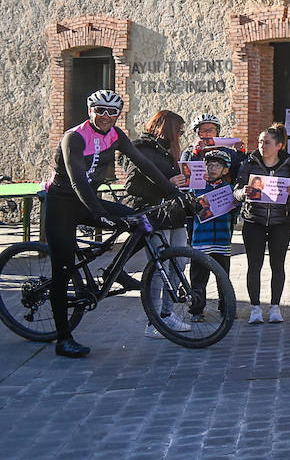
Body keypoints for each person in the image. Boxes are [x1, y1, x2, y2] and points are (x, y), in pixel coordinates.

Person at [44, 90, 182, 356]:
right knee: (62, 269)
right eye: (100, 110)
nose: (105, 116)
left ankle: (114, 271)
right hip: (62, 204)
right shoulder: (74, 137)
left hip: (88, 200)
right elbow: (77, 181)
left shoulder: (116, 135)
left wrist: (172, 191)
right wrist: (99, 214)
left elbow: (143, 164)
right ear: (90, 110)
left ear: (118, 114)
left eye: (112, 112)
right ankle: (63, 338)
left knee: (141, 221)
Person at [120, 109, 193, 338]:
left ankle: (167, 314)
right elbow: (132, 185)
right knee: (159, 268)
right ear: (168, 128)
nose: (180, 136)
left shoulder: (167, 151)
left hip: (174, 214)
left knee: (178, 263)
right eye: (179, 131)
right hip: (154, 213)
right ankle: (155, 321)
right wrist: (167, 183)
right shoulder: (142, 149)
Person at [235, 123, 290, 324]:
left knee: (277, 265)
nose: (262, 146)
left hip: (281, 222)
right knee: (254, 265)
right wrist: (242, 192)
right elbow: (236, 190)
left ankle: (275, 307)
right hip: (254, 221)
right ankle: (255, 307)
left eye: (267, 142)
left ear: (279, 145)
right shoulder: (249, 163)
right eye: (261, 142)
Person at [189, 148, 239, 322]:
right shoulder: (196, 188)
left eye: (217, 165)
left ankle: (225, 307)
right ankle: (196, 310)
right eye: (209, 165)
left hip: (222, 242)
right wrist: (199, 201)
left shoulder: (230, 189)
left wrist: (238, 201)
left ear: (225, 170)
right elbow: (190, 209)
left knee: (223, 277)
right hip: (201, 241)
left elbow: (235, 212)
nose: (212, 169)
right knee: (198, 278)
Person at [181, 113, 247, 183]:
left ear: (217, 132)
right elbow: (186, 177)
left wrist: (240, 153)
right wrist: (195, 154)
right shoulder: (188, 153)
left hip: (225, 191)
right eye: (203, 130)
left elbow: (240, 172)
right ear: (197, 133)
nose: (208, 134)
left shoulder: (228, 151)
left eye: (211, 130)